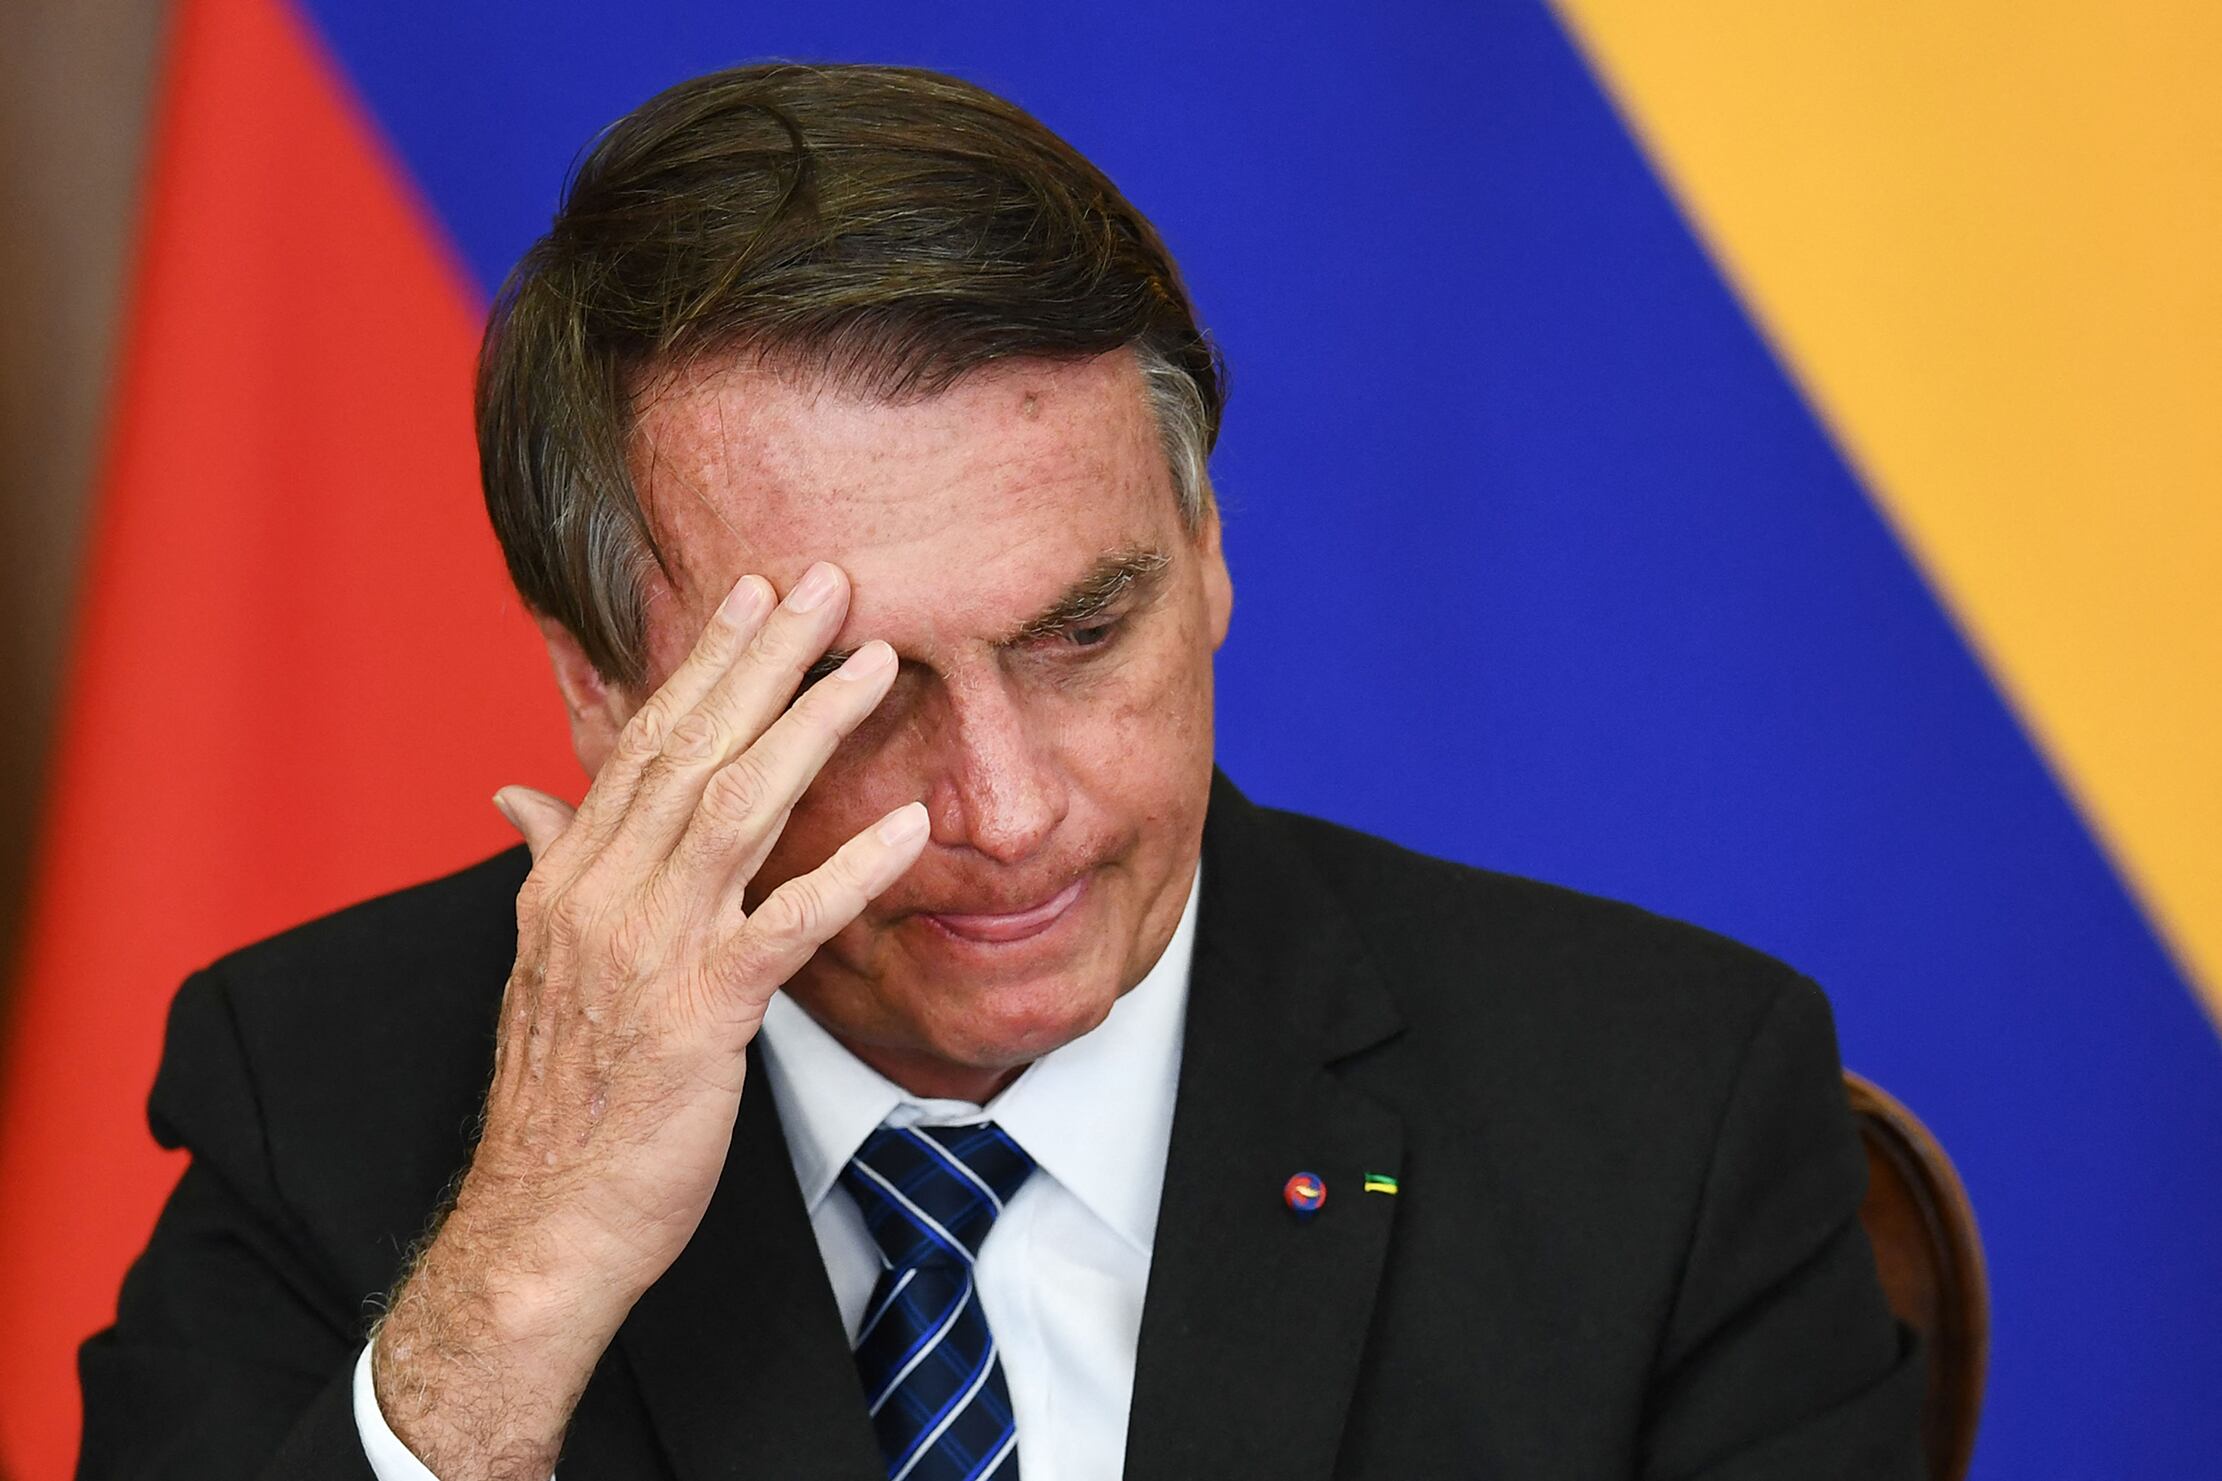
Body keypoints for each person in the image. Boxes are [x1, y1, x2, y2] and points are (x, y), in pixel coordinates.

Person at [77, 62, 1924, 1481]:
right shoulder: (327, 1094)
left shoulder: (1660, 1109)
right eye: (848, 689)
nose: (1011, 805)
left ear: (1205, 552)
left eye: (1082, 630)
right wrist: (523, 1275)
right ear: (603, 691)